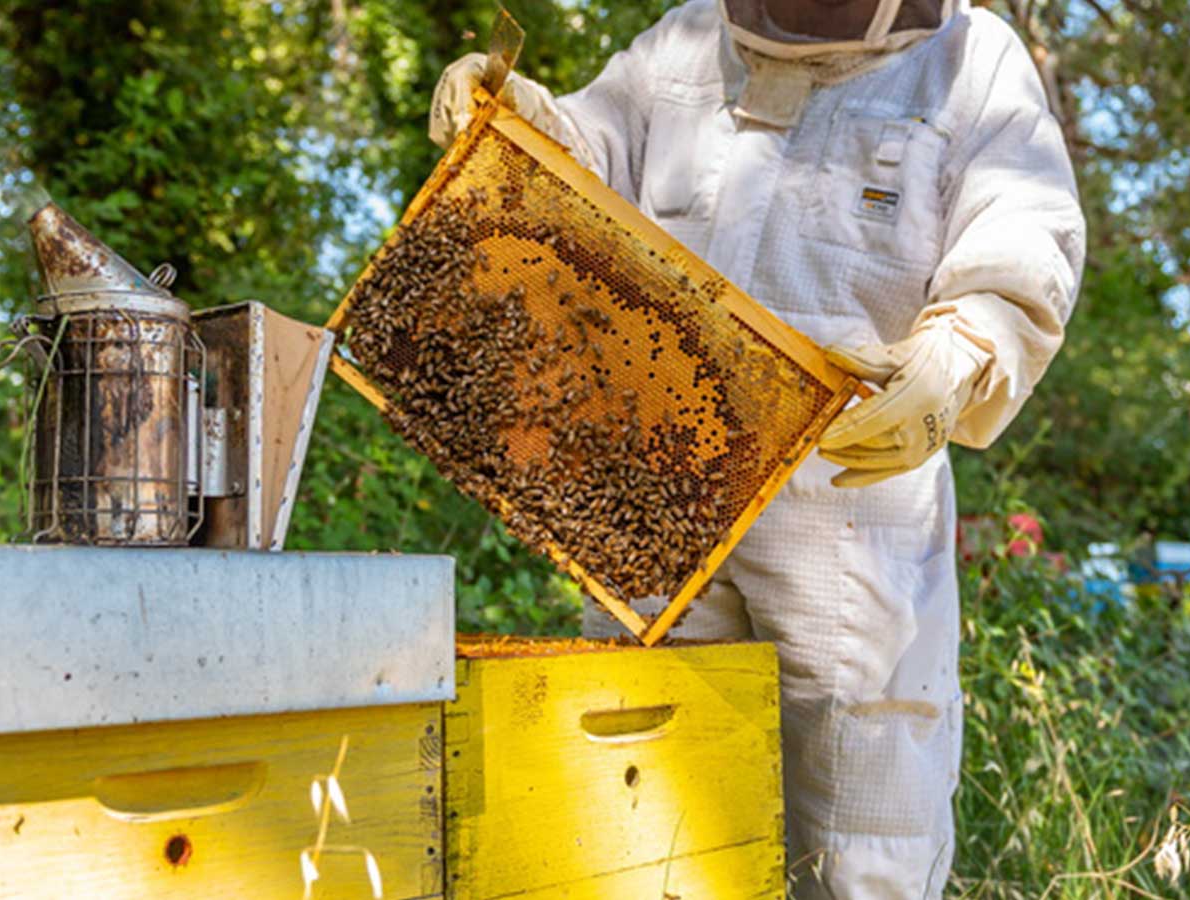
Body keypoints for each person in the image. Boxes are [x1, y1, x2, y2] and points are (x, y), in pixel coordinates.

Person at [429, 1, 1085, 896]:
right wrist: (522, 121)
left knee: (859, 828)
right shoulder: (689, 41)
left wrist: (966, 347)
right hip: (657, 484)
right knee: (642, 809)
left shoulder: (968, 61)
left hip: (846, 505)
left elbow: (1025, 228)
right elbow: (590, 149)